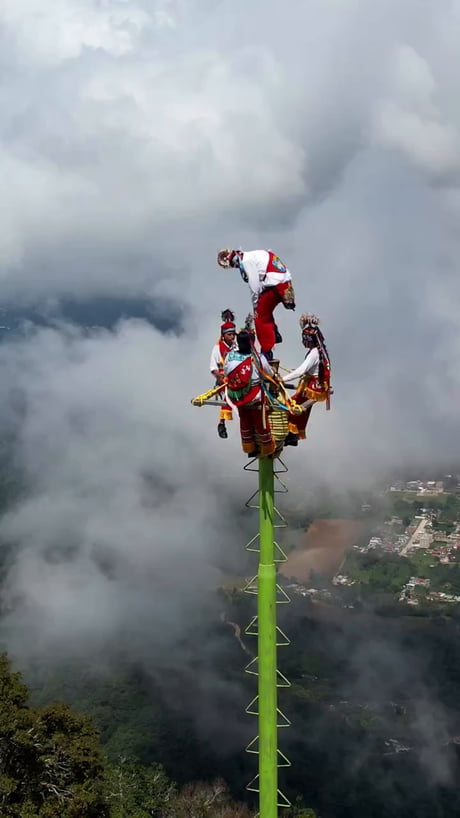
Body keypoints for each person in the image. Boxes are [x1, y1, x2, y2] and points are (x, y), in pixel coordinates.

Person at [217, 248, 296, 359]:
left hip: (276, 284)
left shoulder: (246, 261)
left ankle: (266, 350)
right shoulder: (252, 255)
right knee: (266, 310)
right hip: (283, 282)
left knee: (260, 316)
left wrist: (255, 307)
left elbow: (254, 287)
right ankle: (274, 334)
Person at [223, 330, 276, 457]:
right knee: (261, 423)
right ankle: (268, 447)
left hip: (238, 397)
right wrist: (274, 372)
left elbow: (225, 373)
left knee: (244, 421)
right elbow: (269, 375)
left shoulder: (229, 356)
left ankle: (249, 447)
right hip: (255, 397)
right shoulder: (258, 358)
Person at [282, 314, 331, 446]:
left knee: (291, 406)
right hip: (317, 384)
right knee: (302, 411)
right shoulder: (319, 350)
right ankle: (294, 435)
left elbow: (301, 371)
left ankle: (291, 435)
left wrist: (282, 379)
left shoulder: (314, 353)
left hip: (313, 387)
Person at [209, 310, 237, 438]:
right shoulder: (217, 348)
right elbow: (213, 368)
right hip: (224, 379)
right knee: (229, 395)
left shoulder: (237, 347)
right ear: (224, 335)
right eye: (230, 334)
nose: (232, 337)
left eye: (233, 334)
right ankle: (222, 423)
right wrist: (221, 377)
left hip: (237, 376)